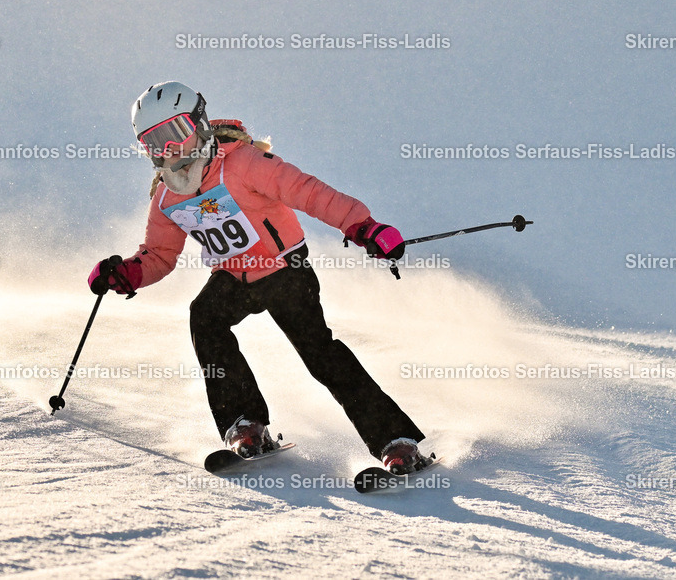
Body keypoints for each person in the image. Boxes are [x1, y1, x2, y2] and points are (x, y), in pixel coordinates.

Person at [88, 81, 428, 474]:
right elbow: (160, 255)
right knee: (205, 317)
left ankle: (396, 442)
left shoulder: (244, 163)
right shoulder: (166, 197)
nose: (169, 151)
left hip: (286, 270)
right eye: (154, 143)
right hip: (233, 276)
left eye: (175, 133)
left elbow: (309, 192)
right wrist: (127, 273)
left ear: (197, 125)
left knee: (320, 354)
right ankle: (246, 425)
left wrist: (362, 227)